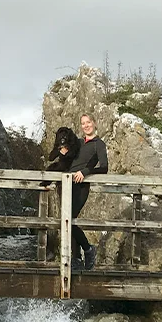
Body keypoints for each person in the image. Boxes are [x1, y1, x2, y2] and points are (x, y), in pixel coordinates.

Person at [68, 113, 108, 271]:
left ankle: (88, 249)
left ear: (95, 123)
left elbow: (104, 168)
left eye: (88, 122)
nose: (86, 125)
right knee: (68, 221)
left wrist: (85, 172)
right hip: (68, 184)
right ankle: (76, 259)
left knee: (69, 220)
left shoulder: (99, 144)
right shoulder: (78, 143)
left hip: (82, 186)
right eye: (83, 123)